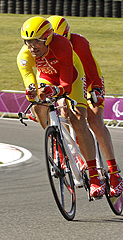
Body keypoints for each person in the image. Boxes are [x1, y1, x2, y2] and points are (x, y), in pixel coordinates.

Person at [17, 16, 106, 197]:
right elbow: (29, 80)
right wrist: (32, 92)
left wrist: (57, 90)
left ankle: (95, 176)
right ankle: (57, 146)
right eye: (28, 42)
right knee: (38, 105)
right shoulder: (24, 56)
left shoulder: (63, 45)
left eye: (37, 42)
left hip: (72, 75)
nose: (32, 47)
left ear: (48, 38)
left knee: (78, 119)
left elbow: (66, 85)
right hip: (48, 75)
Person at [47, 15, 123, 197]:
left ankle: (114, 173)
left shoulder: (79, 43)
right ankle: (72, 152)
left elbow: (91, 68)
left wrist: (95, 89)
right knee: (64, 113)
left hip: (89, 81)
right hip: (66, 80)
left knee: (95, 121)